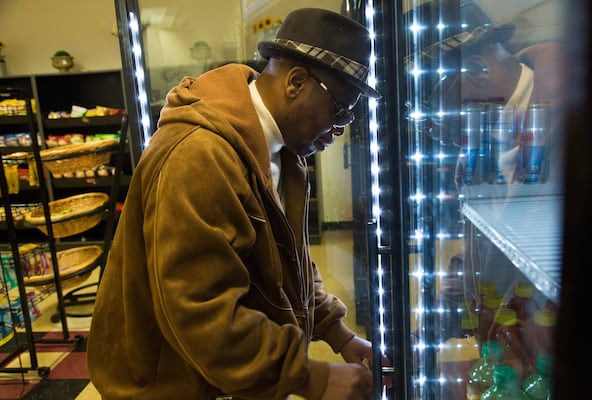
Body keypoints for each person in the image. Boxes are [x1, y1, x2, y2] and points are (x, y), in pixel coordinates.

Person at [87, 8, 385, 400]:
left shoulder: (282, 152)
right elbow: (199, 309)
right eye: (340, 111)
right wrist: (313, 377)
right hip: (167, 385)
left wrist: (336, 332)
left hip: (221, 379)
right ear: (296, 82)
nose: (340, 129)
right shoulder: (200, 154)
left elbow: (289, 262)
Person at [411, 0, 566, 185]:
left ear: (476, 70)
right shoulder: (483, 149)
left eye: (428, 106)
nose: (427, 129)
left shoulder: (575, 121)